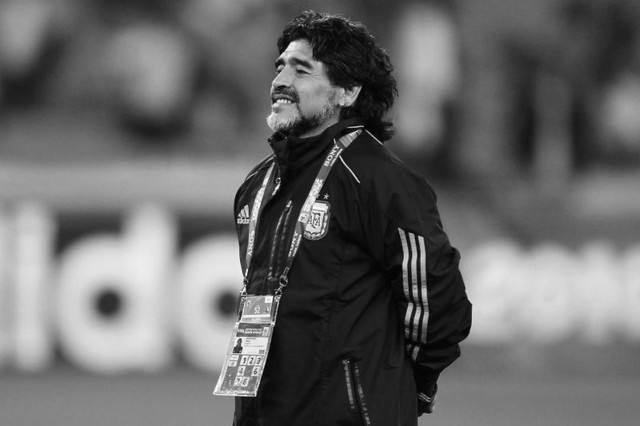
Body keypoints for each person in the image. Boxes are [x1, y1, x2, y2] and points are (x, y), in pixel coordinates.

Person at [231, 10, 472, 426]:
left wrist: (403, 383)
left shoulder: (379, 180)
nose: (280, 81)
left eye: (301, 70)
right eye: (280, 67)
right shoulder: (257, 183)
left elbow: (439, 302)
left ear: (347, 92)